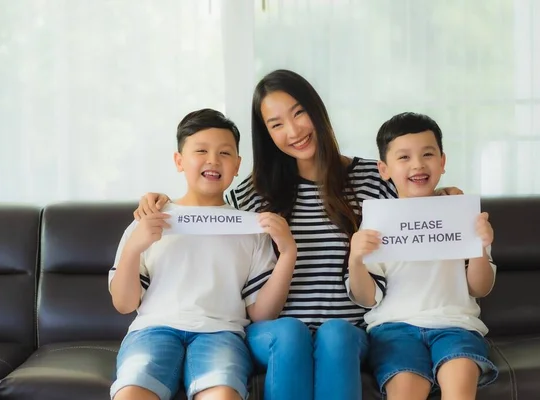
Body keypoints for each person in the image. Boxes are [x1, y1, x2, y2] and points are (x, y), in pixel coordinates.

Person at [134, 70, 462, 400]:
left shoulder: (372, 180)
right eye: (276, 124)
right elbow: (204, 214)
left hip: (350, 331)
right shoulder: (250, 194)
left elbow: (415, 203)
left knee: (336, 334)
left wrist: (445, 198)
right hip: (275, 333)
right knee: (290, 332)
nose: (293, 131)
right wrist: (159, 201)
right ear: (266, 134)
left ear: (316, 110)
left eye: (299, 113)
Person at [109, 108, 297, 400]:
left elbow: (261, 313)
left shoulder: (251, 227)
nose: (213, 160)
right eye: (201, 150)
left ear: (237, 165)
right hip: (152, 330)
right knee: (131, 393)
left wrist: (287, 253)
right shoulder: (149, 218)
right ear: (179, 161)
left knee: (223, 395)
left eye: (224, 153)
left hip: (221, 333)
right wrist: (135, 246)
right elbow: (124, 303)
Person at [347, 112, 498, 400]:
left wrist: (480, 248)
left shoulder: (463, 214)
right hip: (394, 330)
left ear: (442, 161)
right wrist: (356, 260)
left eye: (427, 154)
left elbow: (480, 288)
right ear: (384, 168)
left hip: (456, 326)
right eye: (404, 157)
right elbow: (367, 298)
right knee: (405, 390)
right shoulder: (377, 222)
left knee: (460, 384)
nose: (417, 164)